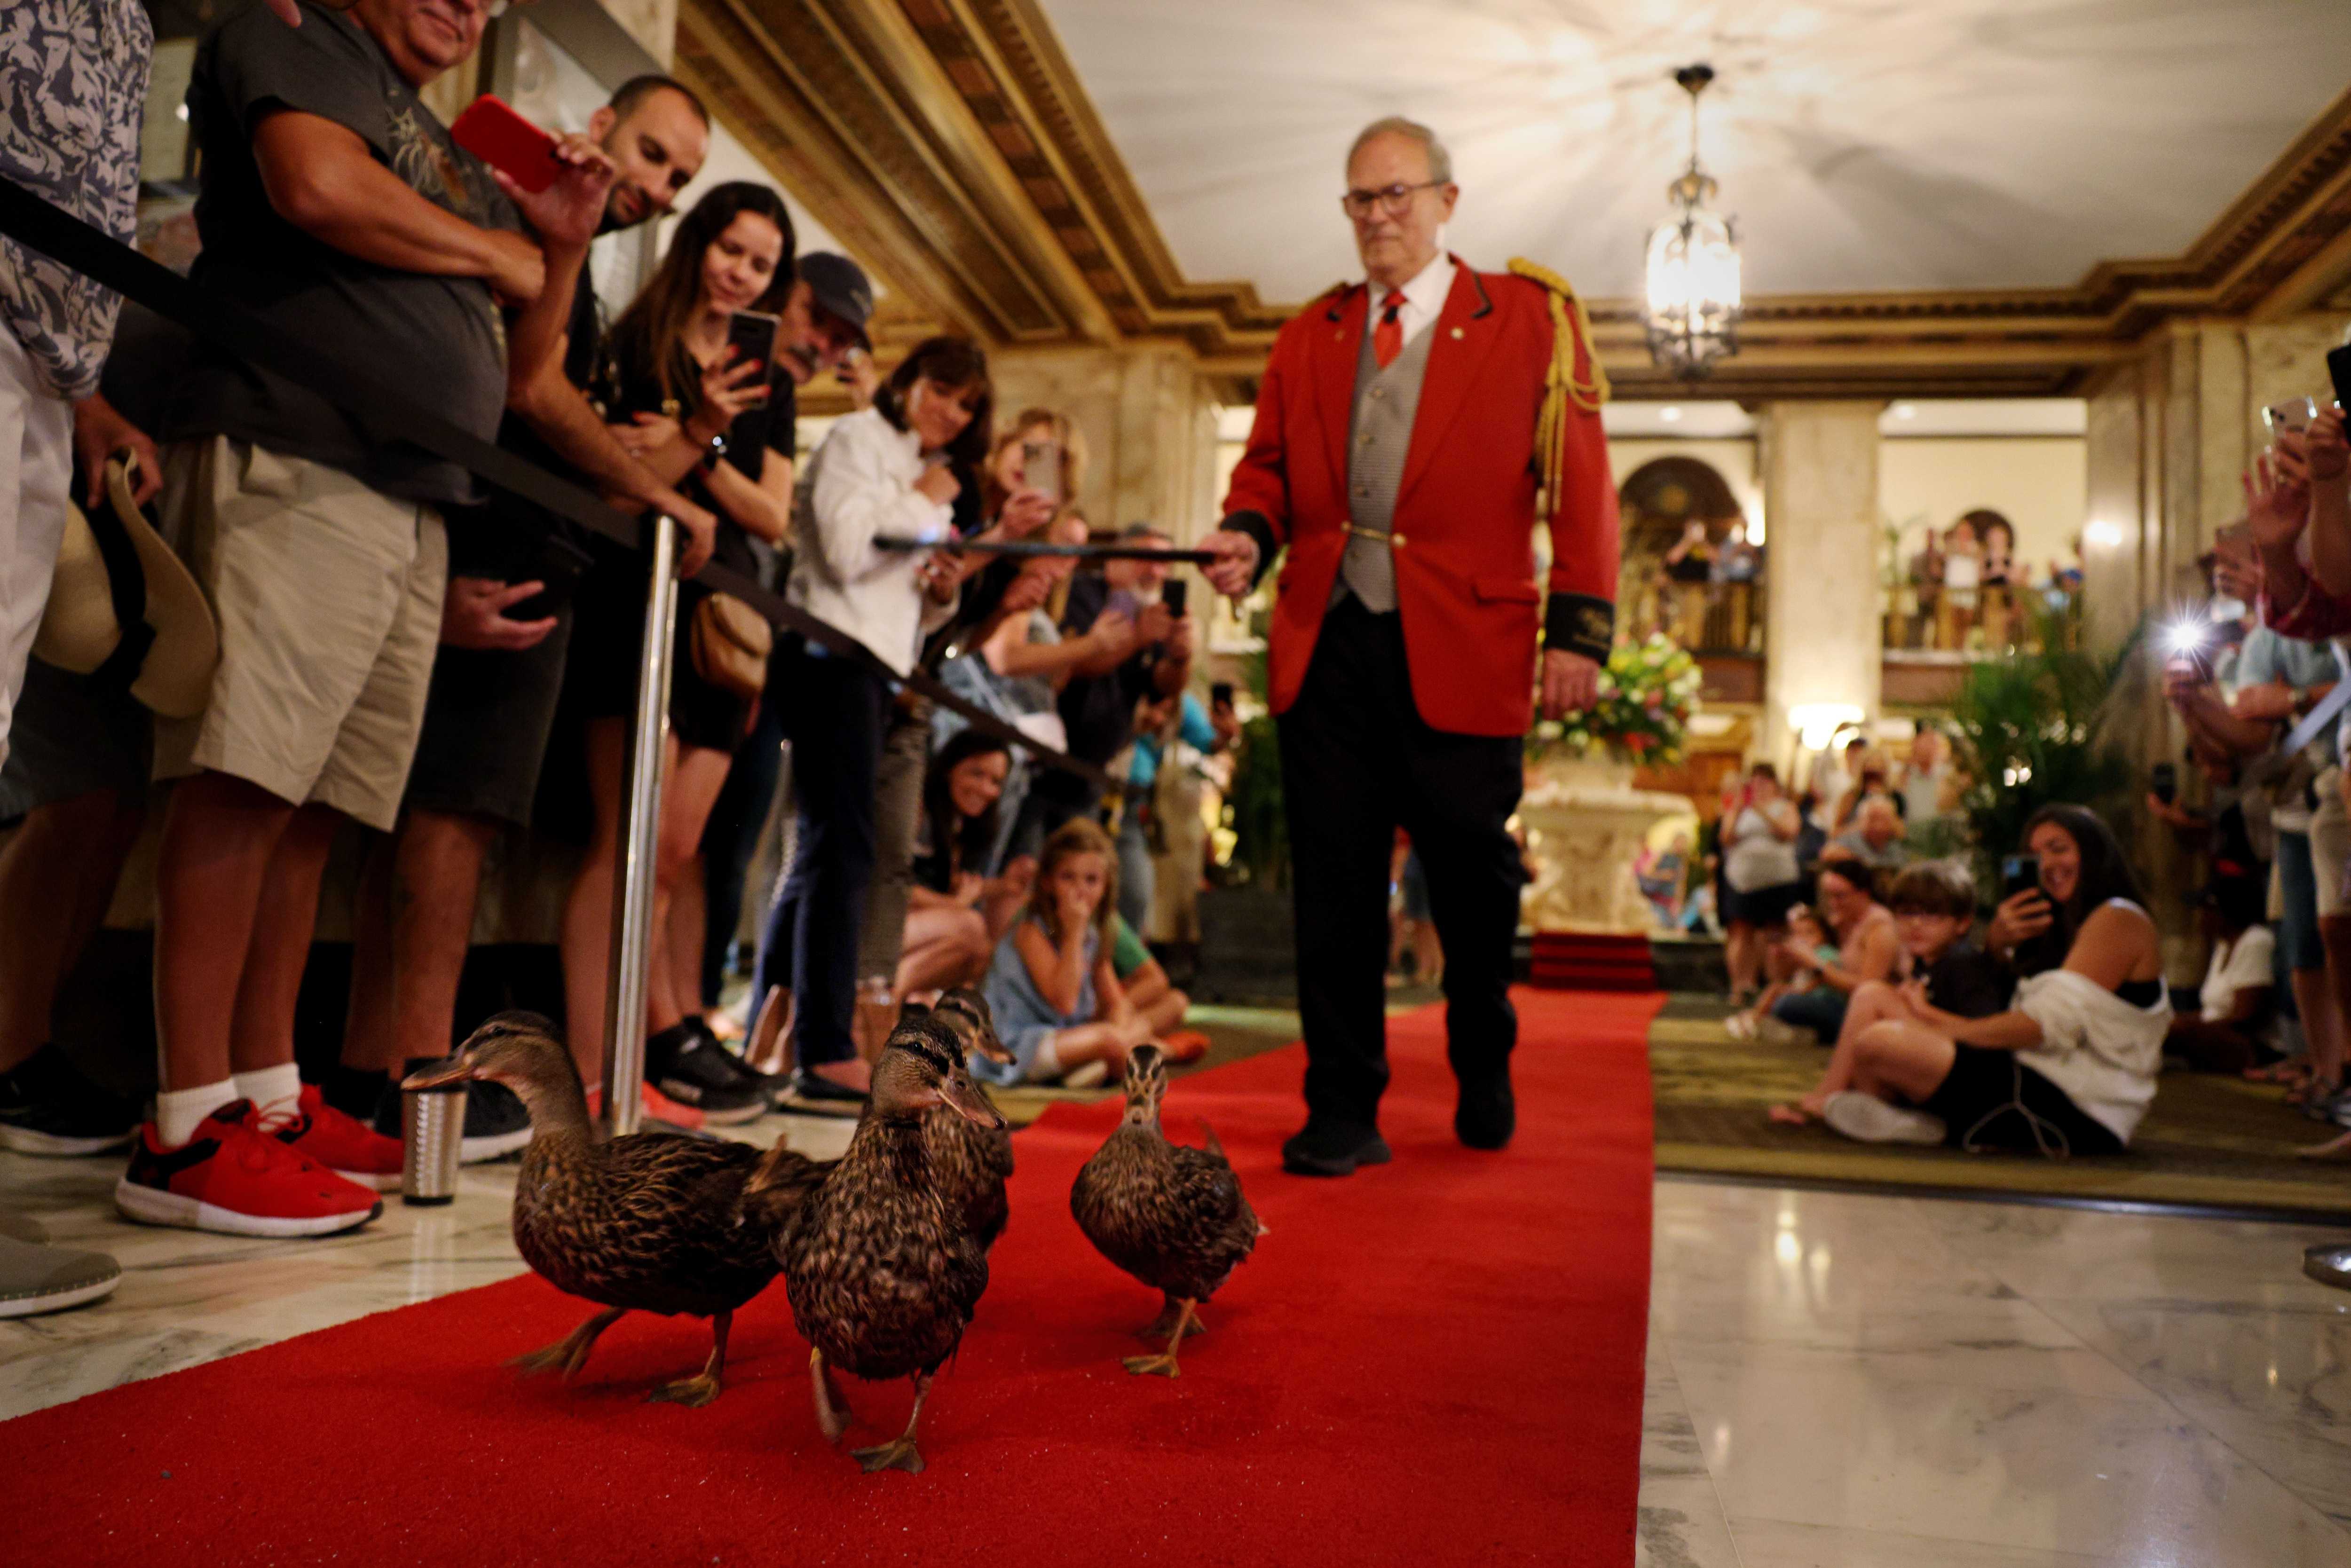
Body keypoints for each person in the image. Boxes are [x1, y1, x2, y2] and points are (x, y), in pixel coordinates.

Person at [125, 0, 614, 1236]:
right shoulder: (294, 36)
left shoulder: (446, 146)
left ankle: (268, 1095)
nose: (474, 5)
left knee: (317, 808)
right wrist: (494, 252)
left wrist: (552, 245)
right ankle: (184, 1125)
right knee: (245, 774)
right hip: (298, 443)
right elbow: (314, 187)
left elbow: (519, 371)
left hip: (413, 489)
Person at [1195, 115, 1617, 1175]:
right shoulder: (1310, 333)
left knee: (1471, 882)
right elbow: (1267, 473)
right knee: (1332, 884)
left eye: (1397, 195)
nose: (1378, 218)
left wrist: (1580, 628)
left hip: (1468, 643)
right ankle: (1340, 1104)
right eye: (1359, 200)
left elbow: (1583, 487)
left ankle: (1483, 1048)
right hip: (1324, 638)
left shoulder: (1528, 318)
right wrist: (1247, 533)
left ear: (1445, 200)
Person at [334, 74, 717, 1148]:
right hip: (483, 539)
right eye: (651, 155)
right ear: (599, 128)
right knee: (446, 819)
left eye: (678, 178)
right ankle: (420, 1085)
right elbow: (528, 388)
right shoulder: (509, 201)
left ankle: (382, 1075)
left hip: (500, 543)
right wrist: (657, 489)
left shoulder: (572, 244)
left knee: (442, 819)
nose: (660, 186)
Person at [755, 335, 986, 1105]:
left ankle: (792, 1038)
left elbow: (907, 613)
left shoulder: (931, 484)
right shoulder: (860, 438)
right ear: (911, 379)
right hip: (826, 654)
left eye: (966, 404)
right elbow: (850, 554)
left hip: (876, 667)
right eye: (943, 391)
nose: (951, 413)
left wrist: (943, 586)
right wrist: (925, 497)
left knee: (835, 848)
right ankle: (822, 1048)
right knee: (838, 848)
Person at [690, 252, 877, 1026]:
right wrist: (701, 449)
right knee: (688, 846)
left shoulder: (783, 396)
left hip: (747, 637)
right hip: (699, 619)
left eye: (841, 341)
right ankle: (671, 1024)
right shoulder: (720, 357)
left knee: (724, 851)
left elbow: (772, 514)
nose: (823, 347)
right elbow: (783, 516)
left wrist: (698, 456)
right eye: (817, 321)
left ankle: (690, 1017)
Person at [1819, 805, 2171, 1155]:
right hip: (2028, 1072)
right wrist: (1997, 948)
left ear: (2094, 851)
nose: (2047, 864)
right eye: (2036, 855)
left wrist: (1934, 1022)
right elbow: (2010, 1001)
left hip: (2078, 1108)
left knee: (1878, 1043)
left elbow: (2038, 1026)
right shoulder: (2059, 924)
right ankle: (1883, 1114)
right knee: (1874, 998)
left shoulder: (2119, 918)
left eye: (2059, 848)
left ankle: (1928, 1123)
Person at [1770, 859, 2008, 1126]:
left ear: (1962, 924)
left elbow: (1984, 1036)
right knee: (1869, 1009)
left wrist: (1922, 1011)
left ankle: (1829, 1097)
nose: (1917, 924)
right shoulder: (1927, 961)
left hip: (1969, 1077)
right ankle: (1873, 1108)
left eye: (1932, 915)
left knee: (1871, 995)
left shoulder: (1964, 963)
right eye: (1907, 914)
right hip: (1935, 1065)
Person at [1034, 522, 1194, 835]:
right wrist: (1137, 638)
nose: (1156, 572)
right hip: (1042, 768)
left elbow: (1163, 686)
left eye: (1165, 563)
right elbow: (1070, 664)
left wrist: (1181, 656)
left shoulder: (1151, 613)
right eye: (1146, 558)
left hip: (1090, 777)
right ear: (1118, 558)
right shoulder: (1078, 593)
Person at [973, 819, 1155, 1087]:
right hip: (1014, 1044)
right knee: (1112, 1040)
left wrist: (1121, 1024)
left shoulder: (1093, 935)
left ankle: (1099, 1064)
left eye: (1091, 880)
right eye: (1067, 878)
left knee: (1134, 1027)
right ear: (1047, 883)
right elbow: (1065, 1001)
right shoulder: (1031, 932)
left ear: (1106, 887)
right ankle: (1118, 1061)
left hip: (1061, 1038)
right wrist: (1074, 935)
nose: (1079, 891)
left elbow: (1116, 1002)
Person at [894, 730, 1029, 999]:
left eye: (995, 781)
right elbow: (896, 888)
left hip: (916, 924)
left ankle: (909, 1002)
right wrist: (955, 906)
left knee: (980, 953)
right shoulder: (919, 810)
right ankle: (890, 996)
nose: (986, 789)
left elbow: (948, 882)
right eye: (977, 774)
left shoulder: (959, 825)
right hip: (883, 921)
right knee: (972, 926)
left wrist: (1007, 885)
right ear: (950, 768)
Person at [1728, 859, 1899, 1044]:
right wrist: (1784, 955)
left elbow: (1870, 989)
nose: (1833, 903)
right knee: (1780, 996)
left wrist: (1816, 965)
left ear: (1863, 894)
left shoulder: (1879, 926)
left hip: (1863, 1012)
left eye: (1840, 896)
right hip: (1833, 998)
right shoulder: (1838, 920)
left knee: (1787, 1004)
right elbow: (1777, 975)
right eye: (1829, 896)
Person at [2166, 877, 2275, 1074]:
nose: (2200, 918)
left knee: (2171, 1029)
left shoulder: (2256, 940)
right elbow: (2211, 1012)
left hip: (2246, 1044)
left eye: (2205, 911)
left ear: (2224, 912)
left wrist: (2188, 1028)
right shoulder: (2223, 945)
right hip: (2215, 1033)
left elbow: (2246, 1017)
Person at [1720, 763, 1805, 1006]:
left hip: (1778, 880)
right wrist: (1738, 809)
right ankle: (1740, 986)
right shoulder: (1739, 810)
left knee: (1776, 934)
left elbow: (1788, 832)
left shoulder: (1785, 807)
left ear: (1774, 785)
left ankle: (1775, 987)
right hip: (1742, 880)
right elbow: (1726, 838)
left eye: (1764, 782)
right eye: (1754, 782)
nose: (1758, 787)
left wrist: (1761, 811)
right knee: (1741, 933)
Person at [1831, 795, 1911, 873]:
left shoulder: (1895, 845)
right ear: (1861, 820)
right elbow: (1828, 854)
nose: (1878, 826)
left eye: (1884, 819)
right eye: (1873, 819)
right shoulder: (1849, 841)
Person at [1901, 726, 1955, 828]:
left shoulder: (1948, 776)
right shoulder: (1904, 775)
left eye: (1932, 744)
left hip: (1939, 834)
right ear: (1915, 747)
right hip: (1910, 833)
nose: (1927, 749)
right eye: (1923, 745)